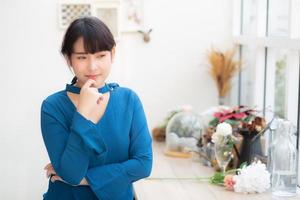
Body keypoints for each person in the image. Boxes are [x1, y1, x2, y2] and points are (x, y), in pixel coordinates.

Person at [40, 16, 153, 200]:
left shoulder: (128, 100)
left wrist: (87, 179)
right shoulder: (52, 107)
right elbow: (71, 174)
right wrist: (83, 114)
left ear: (113, 53)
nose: (92, 66)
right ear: (68, 58)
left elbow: (143, 164)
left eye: (101, 56)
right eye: (82, 57)